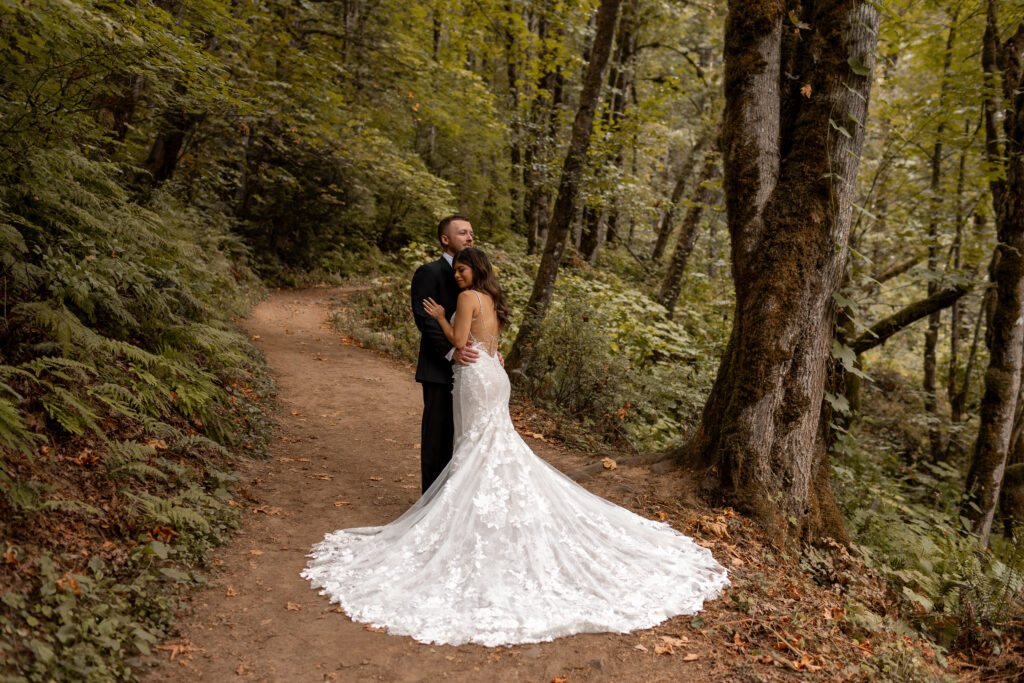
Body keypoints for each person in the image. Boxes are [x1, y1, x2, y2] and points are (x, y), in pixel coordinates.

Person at [300, 247, 730, 647]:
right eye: (455, 272)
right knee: (490, 442)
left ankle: (474, 510)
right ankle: (491, 506)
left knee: (477, 442)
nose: (458, 276)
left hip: (475, 377)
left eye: (462, 269)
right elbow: (491, 345)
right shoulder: (493, 299)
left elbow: (458, 342)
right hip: (493, 374)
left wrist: (437, 316)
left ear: (476, 269)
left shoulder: (468, 298)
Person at [409, 215, 478, 493]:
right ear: (445, 239)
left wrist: (491, 351)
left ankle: (458, 499)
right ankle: (431, 501)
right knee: (438, 437)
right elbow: (424, 318)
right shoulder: (429, 272)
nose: (469, 237)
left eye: (471, 233)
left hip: (473, 370)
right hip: (439, 369)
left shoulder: (476, 273)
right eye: (462, 233)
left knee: (465, 437)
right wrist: (452, 351)